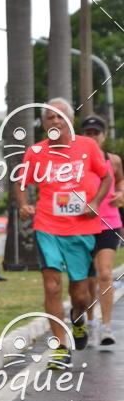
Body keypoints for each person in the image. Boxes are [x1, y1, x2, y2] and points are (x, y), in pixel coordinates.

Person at [14, 98, 111, 370]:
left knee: (80, 296)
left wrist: (96, 203)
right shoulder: (36, 152)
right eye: (49, 117)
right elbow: (21, 182)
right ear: (43, 124)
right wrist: (23, 204)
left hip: (82, 229)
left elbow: (105, 177)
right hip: (47, 226)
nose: (55, 121)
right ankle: (60, 346)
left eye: (60, 117)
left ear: (69, 121)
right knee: (52, 285)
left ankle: (78, 320)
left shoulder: (88, 147)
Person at [80, 115, 124, 346]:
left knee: (105, 273)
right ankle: (90, 321)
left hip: (109, 221)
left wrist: (120, 194)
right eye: (88, 133)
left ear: (104, 136)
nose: (92, 137)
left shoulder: (113, 160)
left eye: (96, 133)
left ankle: (106, 327)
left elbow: (119, 182)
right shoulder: (75, 161)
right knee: (88, 279)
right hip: (82, 223)